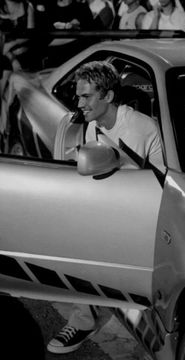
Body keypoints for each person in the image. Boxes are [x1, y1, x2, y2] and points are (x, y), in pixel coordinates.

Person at [47, 60, 165, 354]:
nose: (79, 103)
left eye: (86, 96)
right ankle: (84, 319)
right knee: (67, 235)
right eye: (78, 96)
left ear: (108, 97)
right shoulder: (91, 126)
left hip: (148, 218)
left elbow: (165, 187)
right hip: (114, 211)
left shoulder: (142, 127)